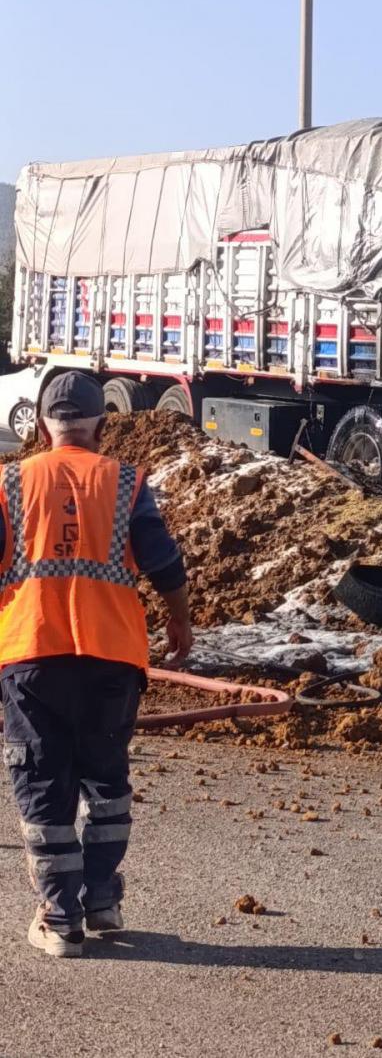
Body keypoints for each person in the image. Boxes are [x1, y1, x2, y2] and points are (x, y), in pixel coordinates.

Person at [0, 372, 192, 958]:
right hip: (112, 657)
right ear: (102, 426)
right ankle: (101, 897)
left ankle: (61, 918)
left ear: (41, 428)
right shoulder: (126, 482)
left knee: (42, 779)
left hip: (32, 652)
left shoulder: (10, 481)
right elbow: (164, 562)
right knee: (106, 779)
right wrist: (179, 620)